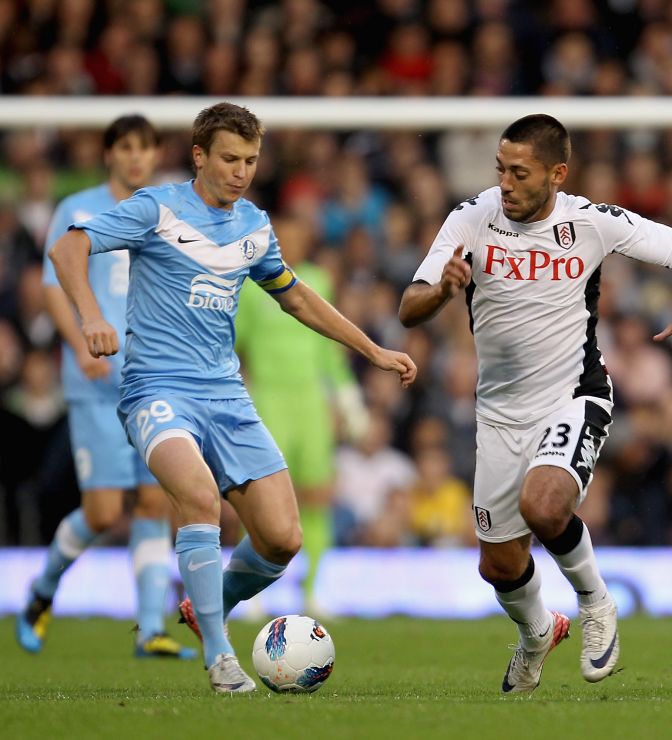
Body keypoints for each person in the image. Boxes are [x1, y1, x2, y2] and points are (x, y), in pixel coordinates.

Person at [47, 102, 416, 693]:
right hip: (156, 390)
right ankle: (220, 658)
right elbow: (68, 249)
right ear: (199, 156)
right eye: (229, 159)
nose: (241, 171)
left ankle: (204, 602)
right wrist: (91, 318)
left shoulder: (253, 225)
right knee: (198, 498)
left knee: (282, 539)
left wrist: (371, 350)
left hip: (226, 395)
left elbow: (295, 297)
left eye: (250, 160)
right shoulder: (157, 207)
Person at [399, 114, 672, 694]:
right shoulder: (470, 218)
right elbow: (408, 307)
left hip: (575, 395)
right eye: (501, 170)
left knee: (545, 505)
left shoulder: (591, 222)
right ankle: (538, 633)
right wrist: (443, 289)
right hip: (497, 414)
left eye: (520, 173)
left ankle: (598, 604)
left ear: (556, 174)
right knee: (498, 566)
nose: (506, 184)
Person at [17, 115, 195, 661]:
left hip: (151, 380)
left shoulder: (165, 211)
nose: (137, 158)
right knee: (100, 513)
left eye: (146, 148)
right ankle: (41, 592)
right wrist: (78, 345)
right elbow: (53, 288)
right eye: (126, 148)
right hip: (96, 382)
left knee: (152, 502)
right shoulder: (78, 209)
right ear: (109, 154)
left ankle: (149, 629)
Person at [235, 216, 368, 613]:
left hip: (310, 402)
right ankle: (251, 590)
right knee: (261, 499)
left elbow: (329, 351)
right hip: (268, 400)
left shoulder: (318, 281)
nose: (291, 243)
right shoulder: (250, 285)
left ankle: (311, 590)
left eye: (298, 236)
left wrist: (347, 400)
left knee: (316, 498)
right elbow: (234, 343)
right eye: (283, 237)